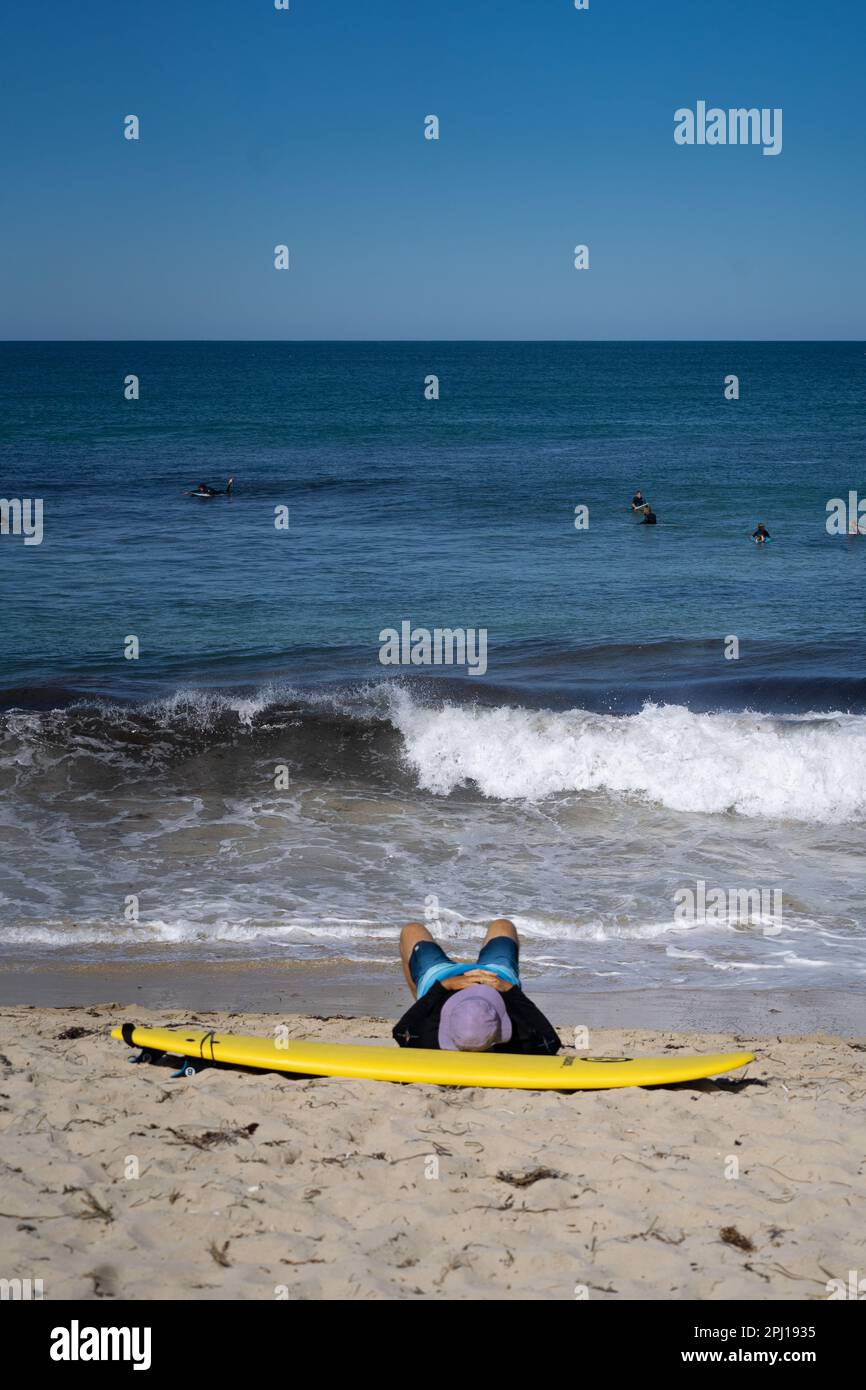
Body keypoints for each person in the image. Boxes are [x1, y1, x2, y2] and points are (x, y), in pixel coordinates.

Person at [393, 918, 561, 1054]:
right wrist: (509, 990)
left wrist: (443, 986)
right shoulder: (515, 1041)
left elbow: (399, 1031)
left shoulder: (428, 1036)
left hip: (442, 978)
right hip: (493, 976)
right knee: (503, 925)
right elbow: (552, 1041)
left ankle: (421, 998)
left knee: (411, 929)